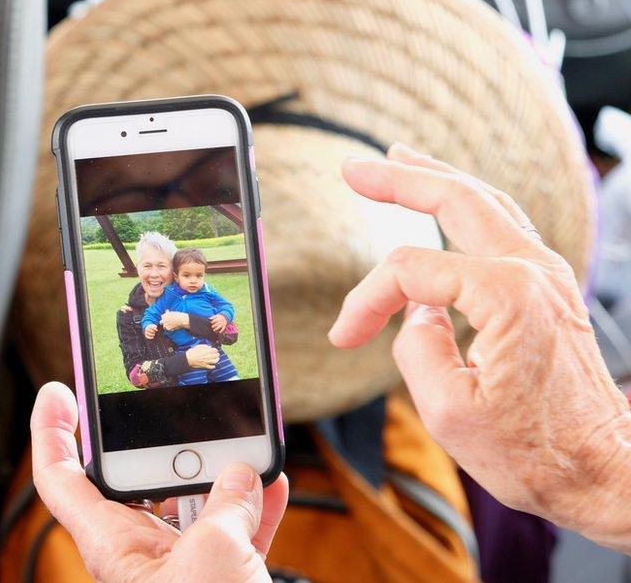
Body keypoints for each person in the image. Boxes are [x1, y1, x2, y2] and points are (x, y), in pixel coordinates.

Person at [32, 143, 631, 582]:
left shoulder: (203, 300)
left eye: (169, 268)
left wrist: (603, 469)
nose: (158, 276)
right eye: (150, 269)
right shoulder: (125, 315)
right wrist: (599, 469)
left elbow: (234, 338)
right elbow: (135, 373)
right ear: (139, 272)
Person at [116, 232, 238, 389]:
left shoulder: (196, 294)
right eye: (147, 265)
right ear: (137, 268)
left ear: (174, 271)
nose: (154, 274)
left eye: (161, 266)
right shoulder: (127, 314)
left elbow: (230, 335)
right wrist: (186, 361)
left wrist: (186, 321)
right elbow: (136, 376)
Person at [141, 247, 238, 385]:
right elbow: (152, 312)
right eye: (187, 275)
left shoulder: (207, 291)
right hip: (186, 350)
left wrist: (224, 316)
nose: (194, 280)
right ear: (176, 276)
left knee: (230, 376)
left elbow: (227, 306)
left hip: (213, 347)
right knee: (193, 381)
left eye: (199, 275)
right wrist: (149, 324)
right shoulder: (168, 295)